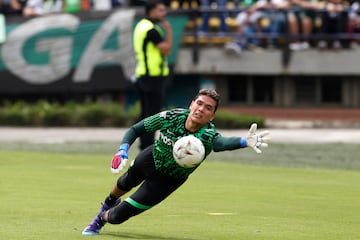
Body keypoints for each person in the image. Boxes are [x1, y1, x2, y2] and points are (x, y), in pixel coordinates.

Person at [82, 88, 271, 236]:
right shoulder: (172, 117)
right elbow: (136, 130)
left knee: (117, 217)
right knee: (124, 182)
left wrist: (244, 142)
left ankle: (102, 218)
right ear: (191, 105)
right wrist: (123, 149)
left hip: (166, 181)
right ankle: (108, 203)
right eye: (199, 103)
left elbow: (221, 143)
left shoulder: (207, 135)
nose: (201, 109)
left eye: (208, 108)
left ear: (212, 116)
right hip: (150, 158)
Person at [132, 0, 172, 151]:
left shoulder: (141, 25)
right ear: (152, 11)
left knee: (145, 113)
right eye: (161, 10)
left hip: (143, 74)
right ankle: (147, 147)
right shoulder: (151, 29)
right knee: (152, 116)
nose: (164, 13)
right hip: (152, 77)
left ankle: (143, 144)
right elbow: (167, 49)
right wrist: (168, 30)